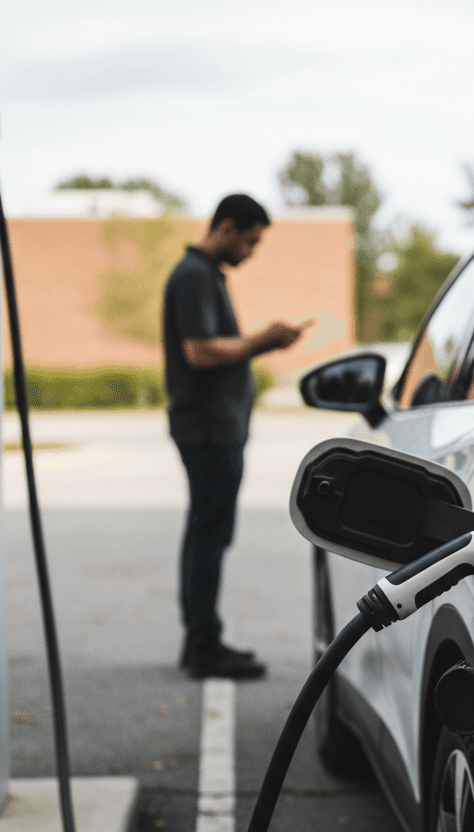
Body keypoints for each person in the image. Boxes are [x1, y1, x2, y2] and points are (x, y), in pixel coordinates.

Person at [163, 193, 311, 679]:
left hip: (214, 427)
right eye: (250, 241)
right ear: (225, 228)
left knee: (205, 532)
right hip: (208, 428)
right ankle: (204, 646)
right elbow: (200, 351)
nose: (251, 252)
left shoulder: (204, 275)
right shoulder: (194, 276)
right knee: (210, 535)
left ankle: (199, 641)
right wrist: (262, 340)